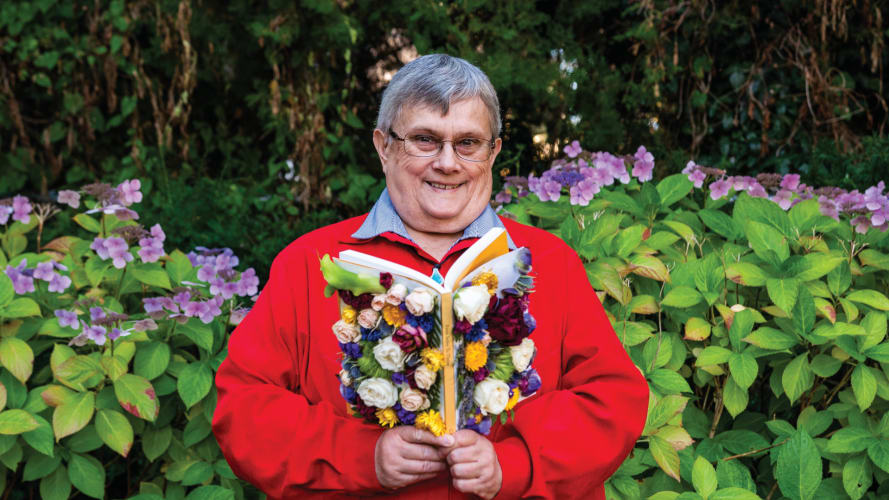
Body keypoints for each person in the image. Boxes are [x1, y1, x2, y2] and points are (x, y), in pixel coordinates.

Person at [212, 54, 648, 499]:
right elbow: (243, 409)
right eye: (424, 140)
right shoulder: (310, 264)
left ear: (493, 151)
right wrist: (364, 457)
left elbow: (612, 401)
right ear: (384, 147)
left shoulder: (548, 263)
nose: (447, 162)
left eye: (468, 143)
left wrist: (512, 464)